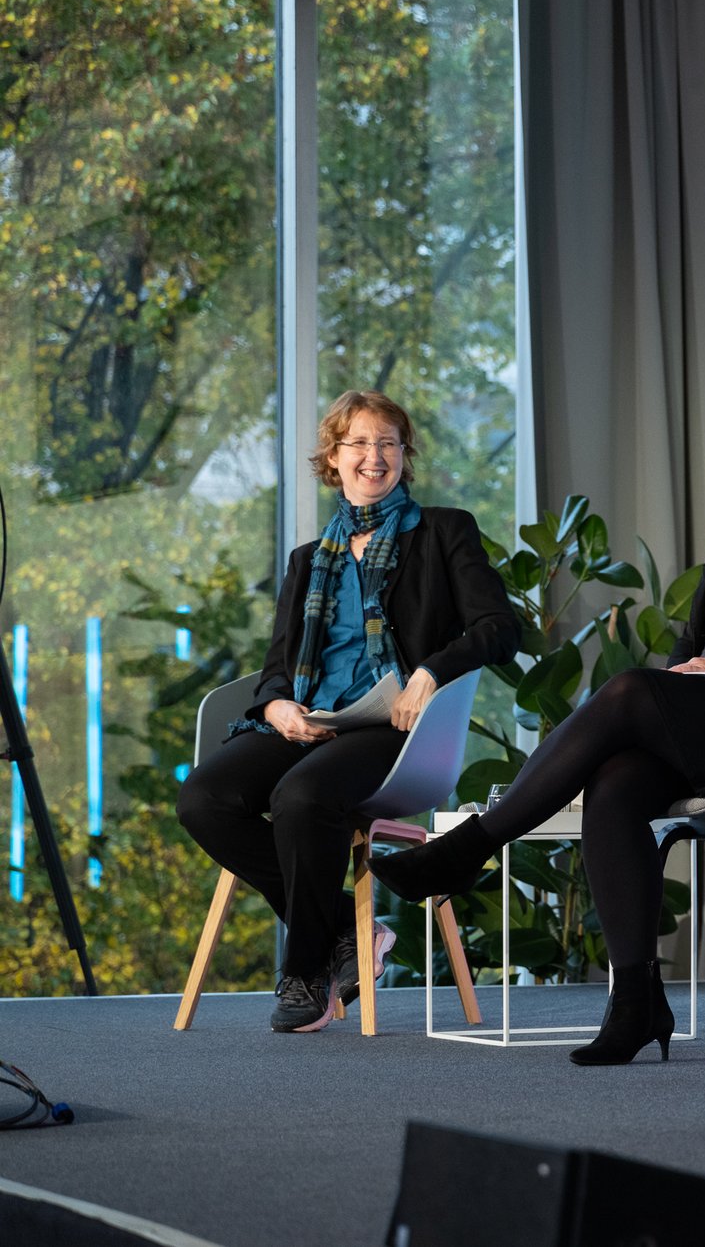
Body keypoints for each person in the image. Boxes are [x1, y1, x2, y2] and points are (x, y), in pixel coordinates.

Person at [370, 350, 705, 1066]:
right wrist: (700, 668)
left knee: (626, 691)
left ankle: (475, 845)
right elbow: (697, 636)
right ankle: (636, 1000)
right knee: (617, 780)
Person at [177, 390, 518, 1034]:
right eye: (358, 443)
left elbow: (500, 628)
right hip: (312, 723)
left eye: (387, 443)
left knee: (302, 796)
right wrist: (277, 706)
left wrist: (431, 671)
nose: (374, 456)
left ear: (404, 457)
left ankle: (306, 971)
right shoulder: (310, 560)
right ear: (332, 459)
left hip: (397, 732)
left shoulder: (444, 532)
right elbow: (278, 664)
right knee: (204, 798)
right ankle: (342, 927)